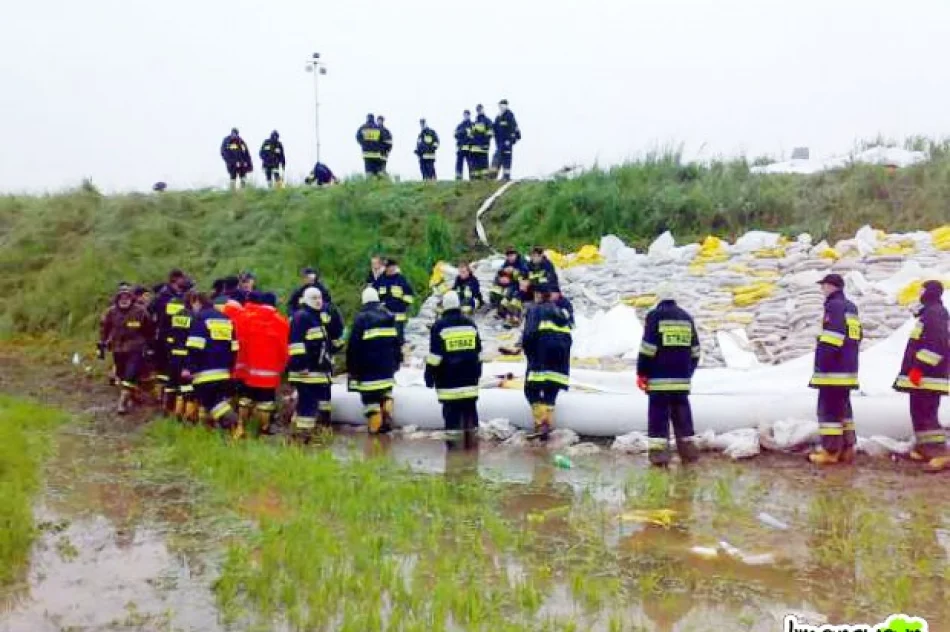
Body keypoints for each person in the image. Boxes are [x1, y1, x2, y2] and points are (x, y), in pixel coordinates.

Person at [636, 285, 702, 466]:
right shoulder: (687, 318)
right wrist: (687, 372)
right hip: (681, 383)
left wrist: (642, 373)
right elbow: (696, 352)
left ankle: (659, 458)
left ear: (658, 298)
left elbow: (648, 348)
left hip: (659, 382)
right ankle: (689, 455)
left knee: (658, 419)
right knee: (683, 420)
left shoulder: (654, 316)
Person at [893, 280, 949, 472]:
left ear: (930, 292)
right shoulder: (930, 313)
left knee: (927, 415)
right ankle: (925, 449)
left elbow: (937, 346)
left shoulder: (934, 314)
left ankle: (939, 454)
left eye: (922, 290)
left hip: (928, 377)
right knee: (919, 413)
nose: (920, 293)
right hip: (925, 377)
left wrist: (919, 368)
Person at [808, 274, 862, 465]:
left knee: (828, 411)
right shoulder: (851, 307)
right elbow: (856, 336)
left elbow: (832, 336)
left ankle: (830, 451)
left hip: (833, 370)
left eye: (823, 286)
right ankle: (847, 448)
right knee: (844, 410)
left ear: (831, 286)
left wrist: (822, 363)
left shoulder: (833, 306)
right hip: (848, 369)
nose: (822, 290)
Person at [425, 291, 483, 449]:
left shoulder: (439, 326)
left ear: (444, 306)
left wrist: (429, 377)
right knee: (471, 415)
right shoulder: (470, 324)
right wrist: (478, 373)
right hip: (470, 381)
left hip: (449, 383)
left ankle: (454, 458)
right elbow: (479, 354)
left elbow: (435, 357)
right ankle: (472, 452)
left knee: (452, 419)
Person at [182, 291, 241, 438]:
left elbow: (195, 346)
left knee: (211, 402)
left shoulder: (199, 318)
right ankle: (213, 433)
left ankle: (235, 425)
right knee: (216, 401)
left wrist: (189, 367)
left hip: (205, 371)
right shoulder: (226, 319)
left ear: (197, 302)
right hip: (224, 371)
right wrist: (230, 367)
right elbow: (234, 347)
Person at [520, 285, 573, 440]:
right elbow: (569, 338)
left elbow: (529, 336)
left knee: (530, 390)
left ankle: (541, 423)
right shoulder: (561, 313)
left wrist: (529, 355)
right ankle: (546, 425)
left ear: (538, 295)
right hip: (561, 362)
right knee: (550, 393)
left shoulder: (535, 310)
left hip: (541, 359)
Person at [347, 287, 401, 434]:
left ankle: (375, 432)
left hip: (368, 371)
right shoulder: (389, 316)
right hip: (387, 369)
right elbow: (397, 343)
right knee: (384, 393)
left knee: (370, 401)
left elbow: (354, 347)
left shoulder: (361, 319)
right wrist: (396, 363)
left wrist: (352, 370)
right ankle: (388, 407)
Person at [238, 292, 289, 436]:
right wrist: (283, 366)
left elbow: (242, 342)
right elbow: (284, 347)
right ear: (274, 304)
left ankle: (242, 425)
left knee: (246, 398)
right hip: (270, 370)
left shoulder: (249, 319)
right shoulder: (281, 321)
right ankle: (263, 429)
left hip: (250, 368)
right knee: (266, 402)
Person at [288, 287, 334, 439]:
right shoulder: (302, 317)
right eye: (314, 298)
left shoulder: (316, 317)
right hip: (305, 372)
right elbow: (296, 345)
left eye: (320, 297)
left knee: (313, 404)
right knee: (307, 405)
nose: (318, 301)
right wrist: (301, 365)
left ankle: (309, 434)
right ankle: (302, 437)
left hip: (317, 371)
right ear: (306, 299)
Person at [100, 288, 154, 414]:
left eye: (127, 298)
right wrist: (103, 343)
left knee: (130, 375)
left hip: (135, 348)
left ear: (131, 299)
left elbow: (149, 329)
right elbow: (104, 328)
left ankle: (122, 403)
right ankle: (133, 396)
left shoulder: (140, 312)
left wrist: (149, 345)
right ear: (117, 300)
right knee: (121, 374)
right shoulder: (111, 312)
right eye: (121, 298)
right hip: (118, 349)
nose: (124, 301)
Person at [149, 269, 190, 412]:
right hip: (167, 337)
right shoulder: (166, 297)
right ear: (175, 279)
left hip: (169, 337)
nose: (184, 281)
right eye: (182, 278)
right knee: (166, 369)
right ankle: (164, 399)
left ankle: (164, 399)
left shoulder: (171, 295)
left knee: (167, 371)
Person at [374, 258, 415, 339]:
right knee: (384, 338)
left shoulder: (401, 280)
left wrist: (402, 306)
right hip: (382, 315)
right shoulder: (380, 280)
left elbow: (409, 296)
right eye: (388, 267)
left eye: (392, 267)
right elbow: (374, 295)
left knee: (398, 338)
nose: (391, 269)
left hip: (398, 316)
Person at [491, 99, 521, 180]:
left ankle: (506, 176)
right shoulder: (498, 117)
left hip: (507, 143)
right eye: (500, 105)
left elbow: (514, 129)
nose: (500, 107)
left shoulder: (510, 116)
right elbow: (494, 129)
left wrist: (511, 140)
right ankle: (492, 176)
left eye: (502, 105)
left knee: (506, 159)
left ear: (506, 105)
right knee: (497, 158)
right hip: (499, 143)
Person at [468, 105, 493, 179]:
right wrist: (470, 145)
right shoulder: (475, 122)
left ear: (483, 109)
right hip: (474, 148)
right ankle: (476, 180)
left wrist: (485, 142)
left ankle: (484, 180)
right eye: (478, 110)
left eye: (480, 109)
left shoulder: (487, 121)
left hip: (483, 147)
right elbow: (471, 135)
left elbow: (490, 133)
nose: (479, 111)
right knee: (475, 167)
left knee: (483, 166)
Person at [454, 110, 473, 181]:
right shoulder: (460, 125)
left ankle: (472, 177)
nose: (465, 116)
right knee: (459, 163)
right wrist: (464, 132)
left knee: (470, 163)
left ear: (469, 115)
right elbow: (455, 134)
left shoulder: (472, 125)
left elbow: (473, 136)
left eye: (467, 115)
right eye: (464, 115)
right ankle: (459, 176)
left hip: (469, 148)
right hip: (461, 147)